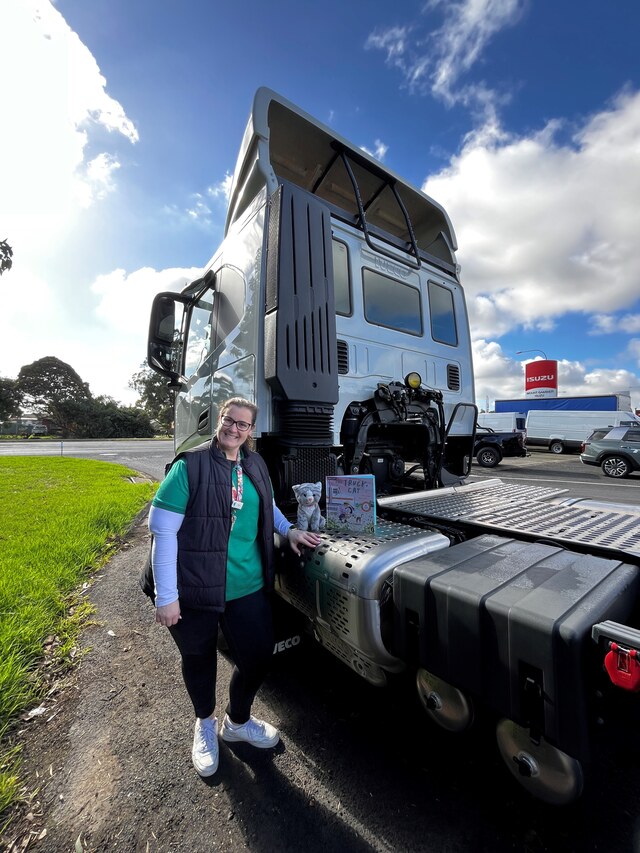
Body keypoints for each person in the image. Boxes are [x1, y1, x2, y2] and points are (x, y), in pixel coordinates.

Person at [148, 397, 322, 777]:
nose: (234, 429)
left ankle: (237, 722)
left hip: (247, 584)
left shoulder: (254, 463)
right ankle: (204, 723)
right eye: (229, 420)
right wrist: (167, 596)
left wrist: (289, 530)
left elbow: (268, 506)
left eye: (243, 424)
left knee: (258, 655)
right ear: (219, 420)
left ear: (251, 430)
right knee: (199, 660)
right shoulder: (190, 465)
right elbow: (162, 530)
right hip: (195, 586)